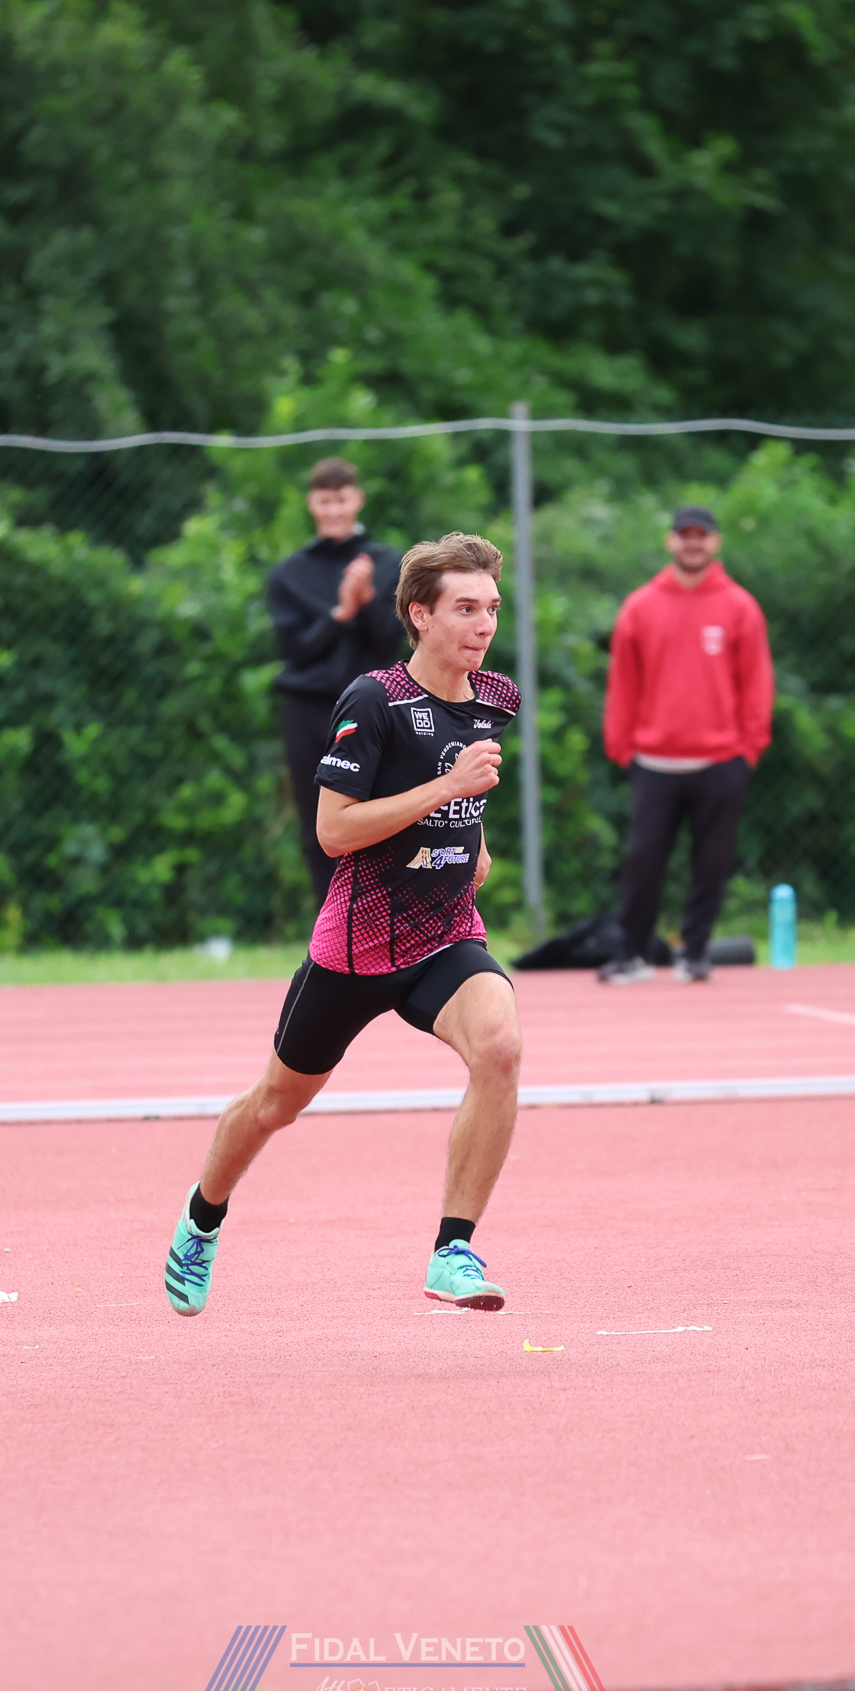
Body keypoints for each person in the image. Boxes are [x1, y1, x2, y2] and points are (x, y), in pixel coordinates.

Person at [168, 533, 523, 1315]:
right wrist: (447, 791)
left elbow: (465, 785)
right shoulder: (373, 699)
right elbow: (334, 831)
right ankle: (202, 1217)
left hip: (445, 934)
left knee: (500, 1047)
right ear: (420, 614)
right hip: (357, 948)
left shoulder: (496, 697)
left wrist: (475, 840)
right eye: (466, 609)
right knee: (276, 1104)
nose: (485, 625)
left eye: (493, 608)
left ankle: (454, 1251)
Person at [598, 503, 773, 984]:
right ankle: (632, 953)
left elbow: (756, 683)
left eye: (702, 535)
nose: (693, 543)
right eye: (685, 535)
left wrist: (748, 748)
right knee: (643, 861)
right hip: (654, 761)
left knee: (712, 864)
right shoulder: (641, 606)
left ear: (715, 542)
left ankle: (695, 952)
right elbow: (623, 683)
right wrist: (622, 746)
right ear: (671, 541)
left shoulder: (739, 607)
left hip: (721, 760)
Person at [265, 459, 406, 902]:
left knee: (384, 813)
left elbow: (389, 644)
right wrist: (341, 612)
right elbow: (296, 651)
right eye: (325, 501)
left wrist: (367, 601)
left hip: (374, 709)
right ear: (311, 504)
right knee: (319, 824)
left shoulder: (389, 565)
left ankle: (383, 920)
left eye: (341, 500)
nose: (333, 510)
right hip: (309, 711)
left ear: (357, 500)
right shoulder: (289, 574)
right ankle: (330, 927)